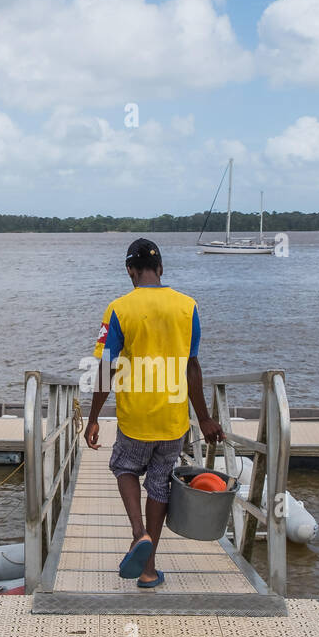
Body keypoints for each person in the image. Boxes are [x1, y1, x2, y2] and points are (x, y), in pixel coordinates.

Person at [85, 238, 224, 588]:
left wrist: (93, 418)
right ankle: (148, 571)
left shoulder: (118, 309)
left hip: (136, 418)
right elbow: (192, 367)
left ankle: (138, 533)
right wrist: (204, 418)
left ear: (130, 271)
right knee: (160, 485)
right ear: (161, 268)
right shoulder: (188, 307)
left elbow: (106, 368)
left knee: (125, 467)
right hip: (173, 420)